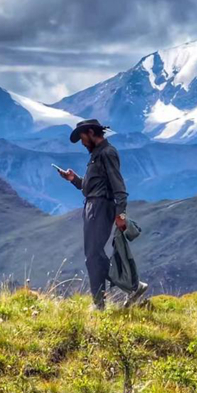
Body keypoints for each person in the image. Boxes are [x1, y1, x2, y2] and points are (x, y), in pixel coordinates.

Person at [58, 119, 148, 310]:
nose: (82, 143)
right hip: (92, 206)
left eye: (82, 138)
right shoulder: (96, 155)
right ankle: (127, 289)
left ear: (91, 132)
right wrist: (73, 179)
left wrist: (121, 213)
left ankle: (109, 298)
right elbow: (91, 187)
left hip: (100, 208)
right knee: (94, 255)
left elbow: (119, 187)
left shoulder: (107, 153)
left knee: (93, 256)